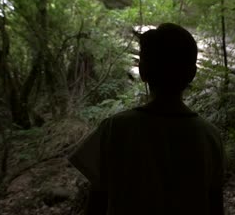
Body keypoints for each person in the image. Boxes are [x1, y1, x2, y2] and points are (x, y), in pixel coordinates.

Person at [69, 23, 225, 215]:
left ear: (142, 71)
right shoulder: (210, 136)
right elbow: (215, 206)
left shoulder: (114, 129)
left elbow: (97, 203)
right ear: (192, 74)